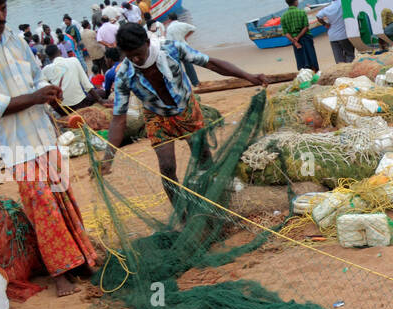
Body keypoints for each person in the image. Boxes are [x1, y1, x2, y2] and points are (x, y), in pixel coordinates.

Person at [0, 0, 97, 298]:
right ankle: (59, 272)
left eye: (3, 9)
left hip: (44, 134)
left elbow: (35, 78)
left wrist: (51, 96)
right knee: (42, 205)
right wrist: (35, 97)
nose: (0, 17)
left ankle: (82, 259)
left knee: (63, 197)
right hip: (16, 145)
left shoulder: (16, 40)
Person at [100, 23, 271, 211]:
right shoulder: (124, 74)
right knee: (166, 168)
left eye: (139, 53)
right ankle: (181, 213)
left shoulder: (171, 48)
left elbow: (211, 63)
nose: (137, 59)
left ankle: (217, 202)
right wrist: (108, 157)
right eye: (130, 56)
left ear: (148, 42)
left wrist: (249, 76)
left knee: (203, 157)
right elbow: (118, 118)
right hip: (157, 116)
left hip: (186, 108)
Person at [41, 44, 99, 109]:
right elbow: (86, 85)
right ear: (60, 51)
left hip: (63, 108)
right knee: (100, 92)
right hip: (81, 103)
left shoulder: (46, 70)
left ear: (49, 57)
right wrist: (100, 100)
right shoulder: (74, 60)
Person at [280, 0, 319, 72]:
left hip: (295, 41)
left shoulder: (283, 17)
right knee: (311, 58)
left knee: (301, 61)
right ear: (296, 2)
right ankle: (315, 74)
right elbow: (306, 27)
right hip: (305, 38)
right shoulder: (302, 12)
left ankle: (304, 76)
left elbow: (286, 32)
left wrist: (295, 41)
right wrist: (298, 37)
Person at [317, 0, 354, 65]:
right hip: (345, 35)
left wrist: (325, 24)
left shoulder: (328, 8)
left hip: (333, 37)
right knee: (350, 55)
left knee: (339, 60)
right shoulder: (345, 4)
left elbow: (318, 16)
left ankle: (342, 75)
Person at [164, 14, 200, 86]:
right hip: (184, 47)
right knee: (189, 66)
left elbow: (169, 41)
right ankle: (195, 83)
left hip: (176, 49)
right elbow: (193, 28)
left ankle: (183, 85)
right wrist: (186, 36)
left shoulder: (169, 28)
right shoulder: (182, 24)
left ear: (169, 19)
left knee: (178, 68)